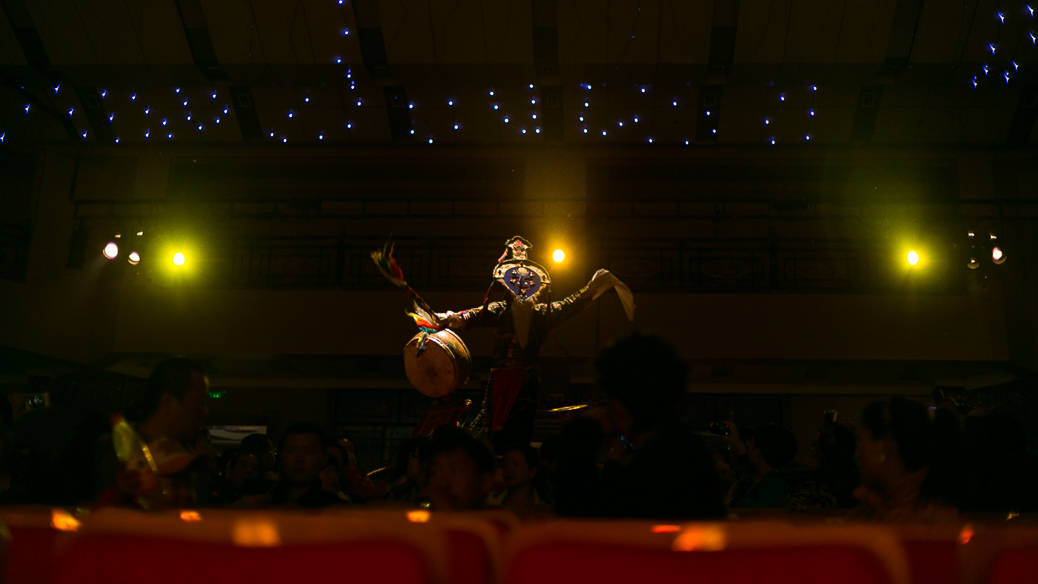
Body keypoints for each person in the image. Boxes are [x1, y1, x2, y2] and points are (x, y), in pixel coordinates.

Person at [594, 332, 726, 519]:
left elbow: (605, 515)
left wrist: (581, 444)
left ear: (623, 405)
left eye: (609, 397)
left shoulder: (657, 464)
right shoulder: (685, 450)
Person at [99, 358, 212, 508]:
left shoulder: (190, 459)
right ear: (168, 402)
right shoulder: (114, 451)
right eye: (200, 402)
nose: (204, 412)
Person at [853, 397, 961, 522]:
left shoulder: (923, 522)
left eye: (860, 441)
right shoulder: (882, 509)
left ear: (883, 446)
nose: (857, 454)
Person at [266, 422, 344, 508]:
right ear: (280, 456)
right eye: (291, 451)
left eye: (308, 451)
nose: (299, 459)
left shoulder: (339, 511)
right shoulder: (260, 507)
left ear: (323, 459)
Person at [418, 425, 494, 511]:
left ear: (485, 481)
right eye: (434, 472)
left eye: (454, 470)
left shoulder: (502, 521)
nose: (442, 482)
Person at [728, 424, 798, 509]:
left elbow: (751, 512)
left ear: (758, 452)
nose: (747, 448)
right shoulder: (762, 479)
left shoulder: (774, 485)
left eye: (750, 445)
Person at [489, 444, 551, 516]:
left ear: (532, 471)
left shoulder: (544, 508)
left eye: (515, 464)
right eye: (505, 465)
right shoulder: (490, 502)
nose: (509, 470)